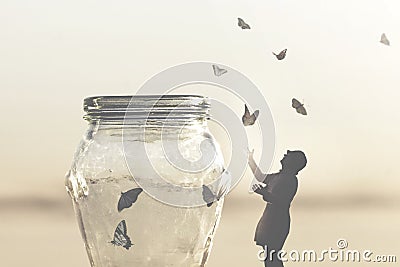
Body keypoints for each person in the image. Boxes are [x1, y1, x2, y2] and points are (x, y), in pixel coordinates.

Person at [248, 149, 307, 267]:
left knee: (273, 255)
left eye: (288, 155)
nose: (285, 155)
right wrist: (250, 159)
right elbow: (261, 177)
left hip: (277, 221)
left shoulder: (290, 179)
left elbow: (281, 200)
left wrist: (263, 192)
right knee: (269, 255)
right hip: (270, 219)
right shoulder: (279, 176)